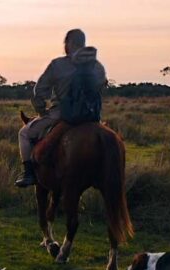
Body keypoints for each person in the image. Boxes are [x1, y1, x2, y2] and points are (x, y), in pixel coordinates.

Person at [15, 29, 107, 187]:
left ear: (69, 43)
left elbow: (40, 90)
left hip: (62, 114)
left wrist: (41, 109)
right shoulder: (97, 66)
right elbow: (101, 87)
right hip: (92, 116)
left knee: (24, 133)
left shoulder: (58, 65)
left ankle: (29, 173)